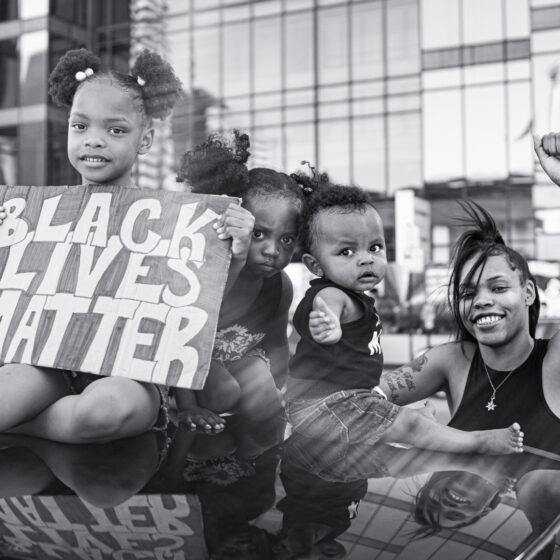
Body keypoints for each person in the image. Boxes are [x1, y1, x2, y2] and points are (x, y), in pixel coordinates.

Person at [0, 47, 183, 443]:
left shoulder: (173, 220)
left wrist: (231, 251)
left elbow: (195, 299)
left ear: (145, 139)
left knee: (105, 412)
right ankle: (27, 418)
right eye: (80, 127)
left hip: (129, 372)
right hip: (49, 363)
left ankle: (26, 425)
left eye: (115, 131)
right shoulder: (36, 214)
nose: (94, 141)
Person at [286, 182, 524, 455]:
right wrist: (327, 324)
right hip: (323, 406)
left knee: (398, 420)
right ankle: (477, 442)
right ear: (315, 265)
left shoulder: (356, 297)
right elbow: (325, 305)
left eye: (374, 247)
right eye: (346, 252)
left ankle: (419, 424)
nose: (365, 259)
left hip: (346, 402)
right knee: (409, 425)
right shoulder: (332, 294)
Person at [379, 173, 560, 455]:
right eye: (467, 294)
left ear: (528, 293)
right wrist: (414, 426)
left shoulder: (553, 359)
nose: (481, 301)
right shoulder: (453, 360)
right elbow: (357, 403)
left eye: (498, 288)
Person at [175, 131, 306, 431]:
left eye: (286, 239)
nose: (273, 251)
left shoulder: (280, 285)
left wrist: (282, 393)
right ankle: (172, 403)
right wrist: (188, 408)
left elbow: (276, 344)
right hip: (187, 368)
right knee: (225, 391)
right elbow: (179, 338)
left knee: (264, 396)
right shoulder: (208, 272)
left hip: (236, 363)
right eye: (258, 234)